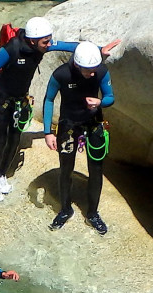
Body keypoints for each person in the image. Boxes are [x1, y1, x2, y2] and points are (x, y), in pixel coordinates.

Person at [0, 17, 119, 203]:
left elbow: (69, 46)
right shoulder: (12, 49)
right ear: (32, 41)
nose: (49, 44)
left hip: (20, 98)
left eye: (49, 40)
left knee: (15, 137)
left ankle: (1, 175)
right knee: (0, 138)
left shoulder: (42, 45)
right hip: (1, 98)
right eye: (46, 41)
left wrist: (98, 50)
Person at [43, 41, 115, 235]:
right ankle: (65, 209)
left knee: (96, 169)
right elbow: (49, 99)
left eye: (94, 70)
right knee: (66, 168)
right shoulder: (61, 74)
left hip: (93, 123)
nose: (93, 74)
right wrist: (48, 132)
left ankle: (92, 213)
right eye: (88, 71)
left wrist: (100, 102)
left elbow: (110, 96)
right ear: (77, 65)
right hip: (69, 124)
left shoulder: (100, 71)